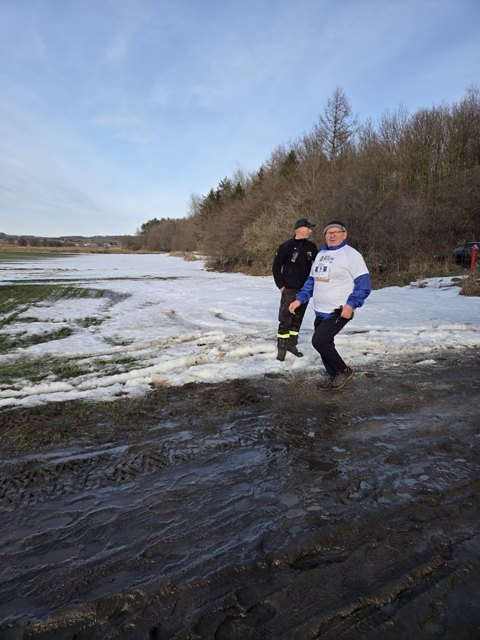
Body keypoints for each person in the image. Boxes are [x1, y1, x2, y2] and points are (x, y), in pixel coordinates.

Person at [289, 220, 371, 389]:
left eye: (336, 232)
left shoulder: (351, 255)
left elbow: (364, 285)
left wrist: (351, 305)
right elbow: (312, 281)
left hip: (339, 311)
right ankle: (334, 377)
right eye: (329, 232)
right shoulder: (321, 254)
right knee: (326, 344)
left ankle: (343, 371)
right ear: (325, 235)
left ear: (344, 235)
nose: (332, 235)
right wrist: (300, 299)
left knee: (319, 341)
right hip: (320, 311)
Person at [272, 218, 318, 361]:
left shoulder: (312, 247)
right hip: (289, 289)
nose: (311, 231)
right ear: (301, 229)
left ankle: (292, 345)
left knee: (298, 318)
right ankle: (282, 348)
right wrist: (281, 285)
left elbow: (317, 266)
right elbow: (276, 267)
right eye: (309, 228)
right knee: (285, 318)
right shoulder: (286, 246)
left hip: (305, 290)